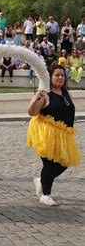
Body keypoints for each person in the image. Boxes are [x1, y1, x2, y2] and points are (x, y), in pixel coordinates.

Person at [27, 64, 81, 206]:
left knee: (65, 162)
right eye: (57, 75)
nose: (60, 77)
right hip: (47, 134)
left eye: (62, 75)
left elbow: (70, 108)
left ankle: (41, 181)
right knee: (50, 164)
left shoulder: (66, 92)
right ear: (49, 77)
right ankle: (46, 195)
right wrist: (34, 99)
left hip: (64, 134)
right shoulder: (45, 94)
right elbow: (32, 112)